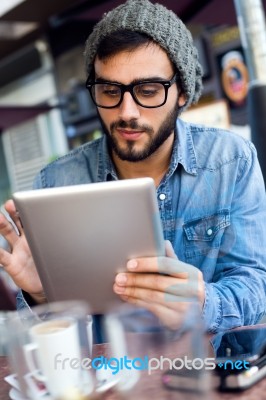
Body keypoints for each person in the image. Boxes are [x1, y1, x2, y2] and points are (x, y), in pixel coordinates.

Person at [0, 0, 266, 334]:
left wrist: (202, 302)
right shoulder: (56, 182)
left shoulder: (231, 160)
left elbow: (256, 286)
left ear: (182, 91)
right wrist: (40, 295)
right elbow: (55, 341)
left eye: (148, 90)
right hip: (110, 380)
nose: (127, 112)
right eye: (110, 90)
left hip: (213, 370)